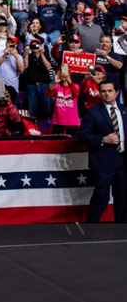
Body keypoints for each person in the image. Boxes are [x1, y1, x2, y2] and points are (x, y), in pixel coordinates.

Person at [78, 80, 127, 224]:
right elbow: (83, 135)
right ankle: (90, 233)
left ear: (116, 93)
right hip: (103, 162)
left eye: (110, 91)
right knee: (101, 198)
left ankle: (120, 235)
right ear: (100, 93)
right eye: (104, 91)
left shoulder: (125, 111)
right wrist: (103, 139)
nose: (107, 94)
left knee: (122, 199)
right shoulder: (92, 112)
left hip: (123, 162)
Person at [47, 67, 81, 135]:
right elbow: (48, 93)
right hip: (58, 121)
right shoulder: (57, 87)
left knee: (71, 143)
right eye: (62, 73)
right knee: (56, 142)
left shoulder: (76, 86)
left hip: (72, 121)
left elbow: (76, 93)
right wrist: (55, 82)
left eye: (66, 73)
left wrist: (69, 81)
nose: (64, 75)